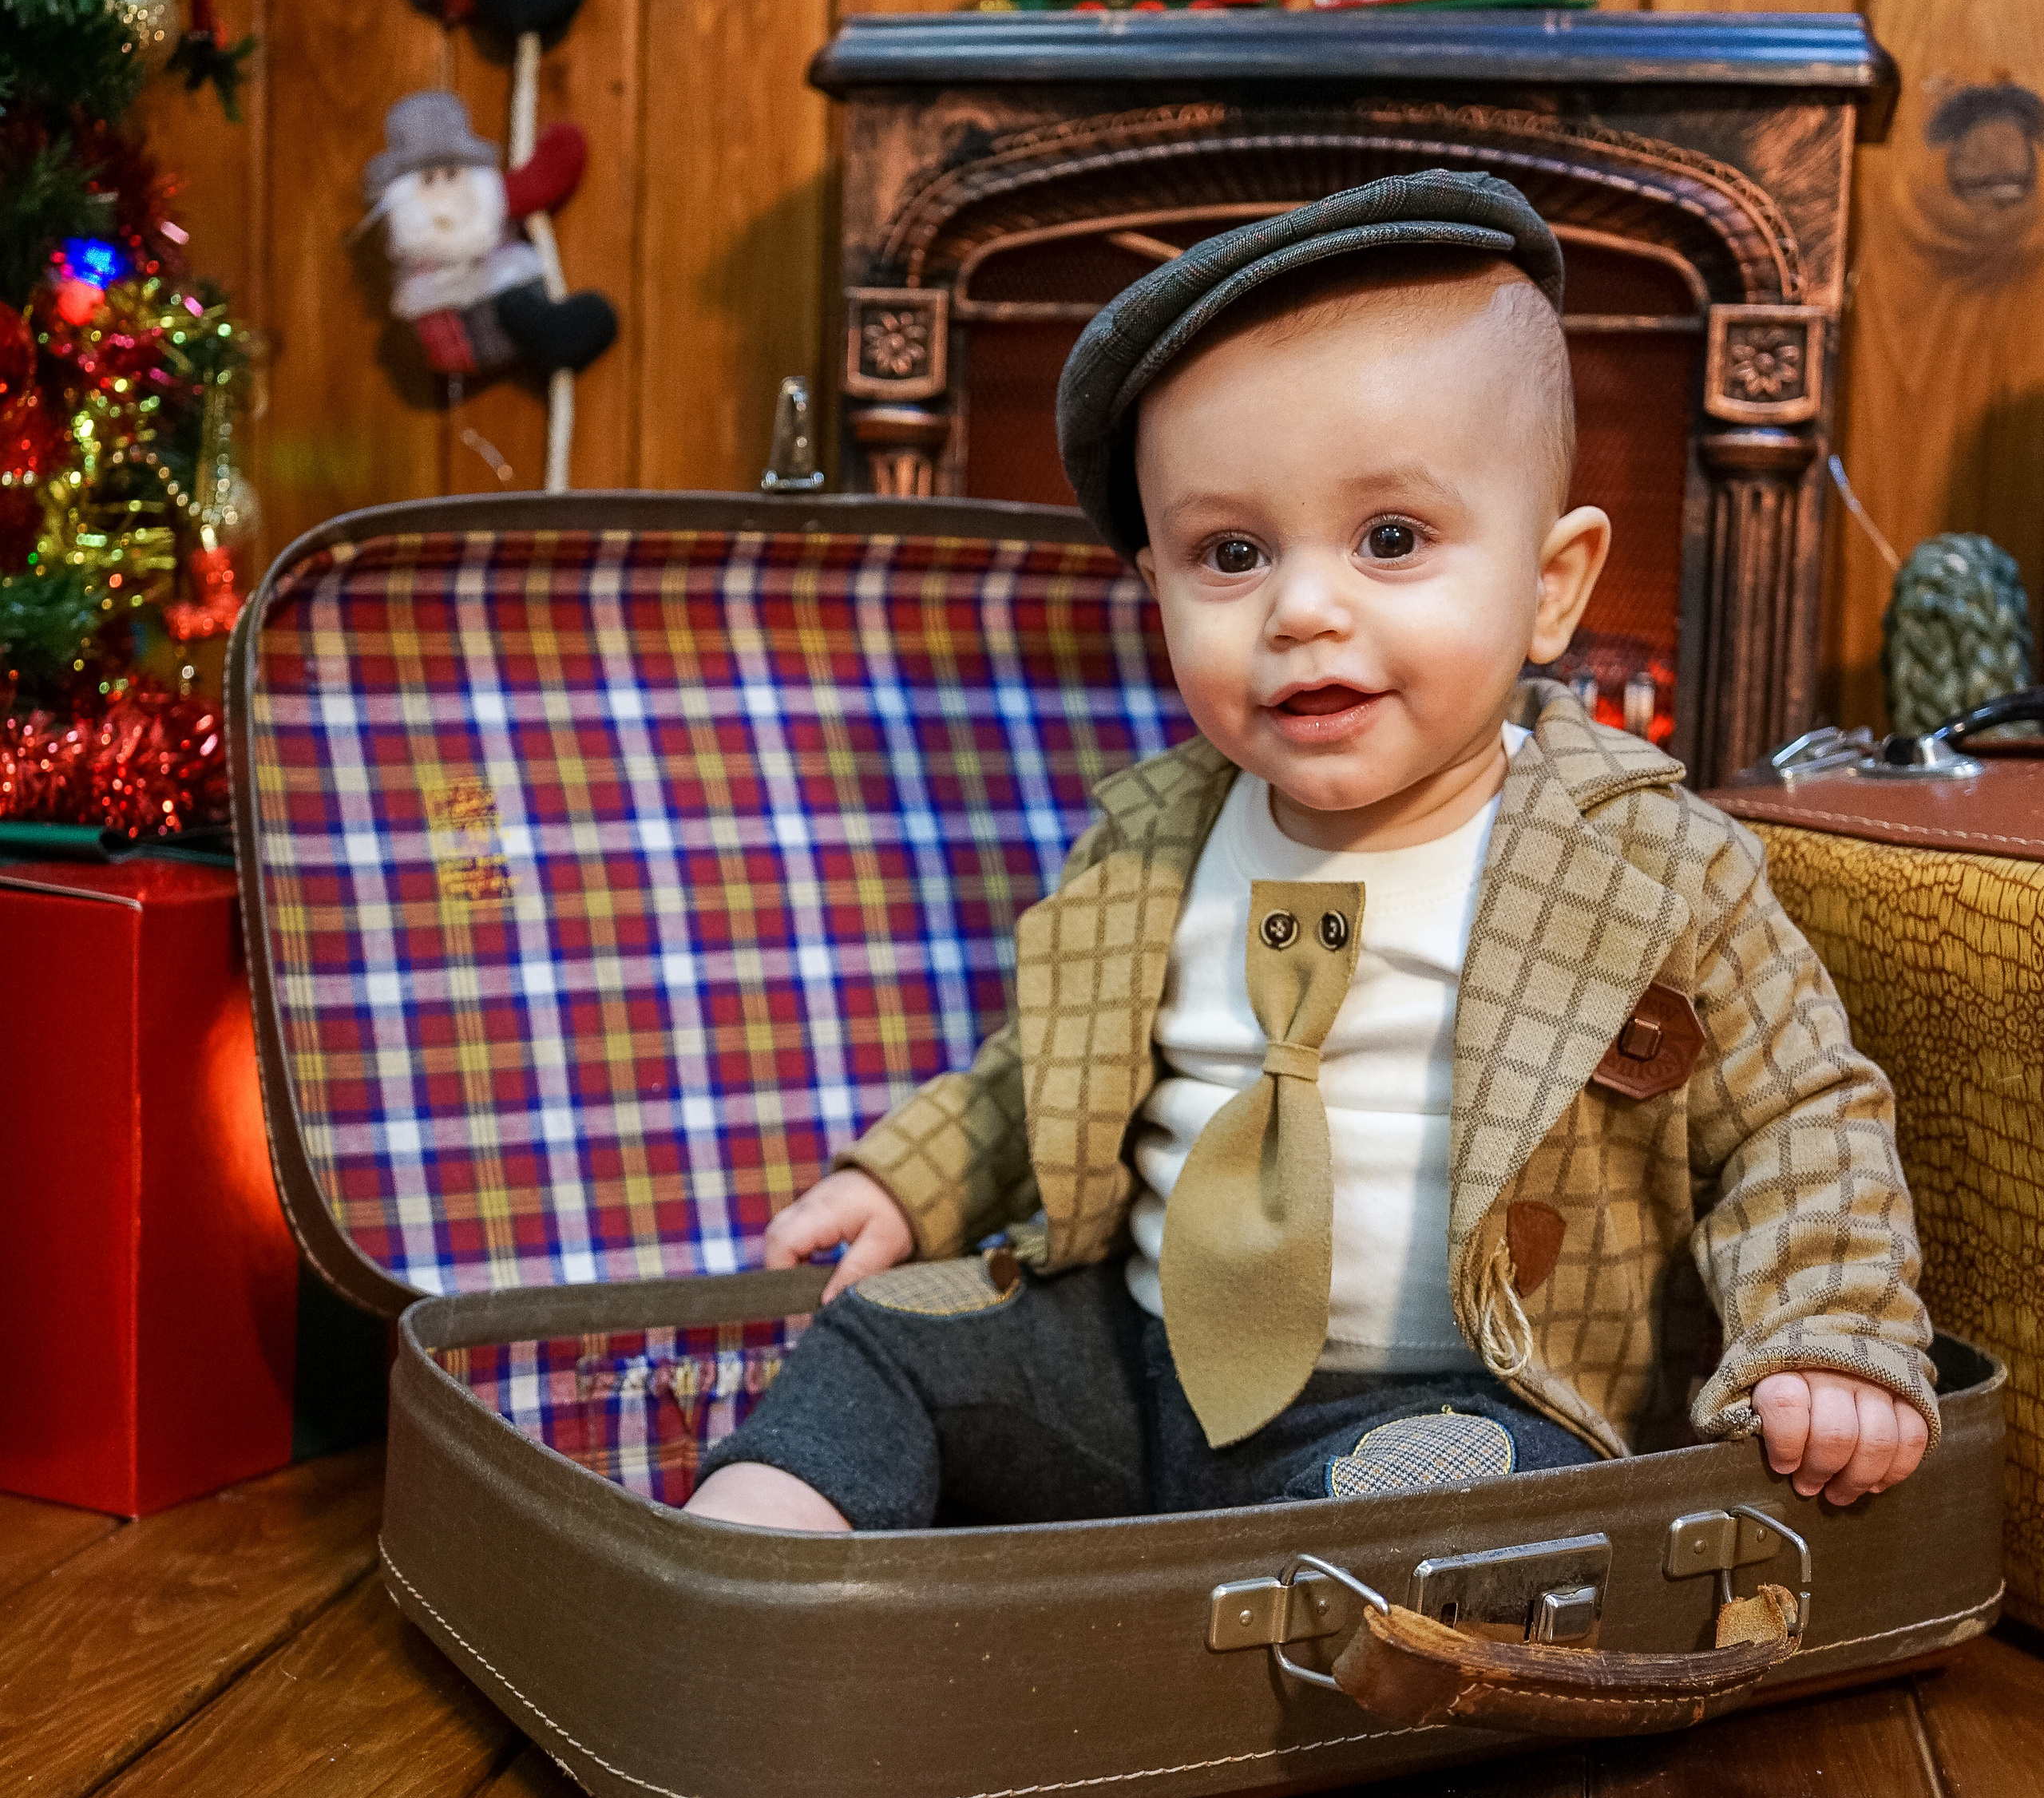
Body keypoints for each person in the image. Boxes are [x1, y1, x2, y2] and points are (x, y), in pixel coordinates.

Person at [683, 171, 1935, 1536]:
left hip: (1445, 1403)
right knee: (883, 1333)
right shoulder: (1152, 836)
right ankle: (753, 1577)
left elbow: (1799, 1116)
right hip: (1127, 1362)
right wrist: (898, 1182)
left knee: (1483, 1509)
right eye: (1231, 552)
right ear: (1156, 592)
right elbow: (1036, 1077)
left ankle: (1303, 1625)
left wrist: (1823, 1331)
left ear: (1553, 586)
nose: (1304, 609)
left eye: (1391, 540)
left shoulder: (1648, 862)